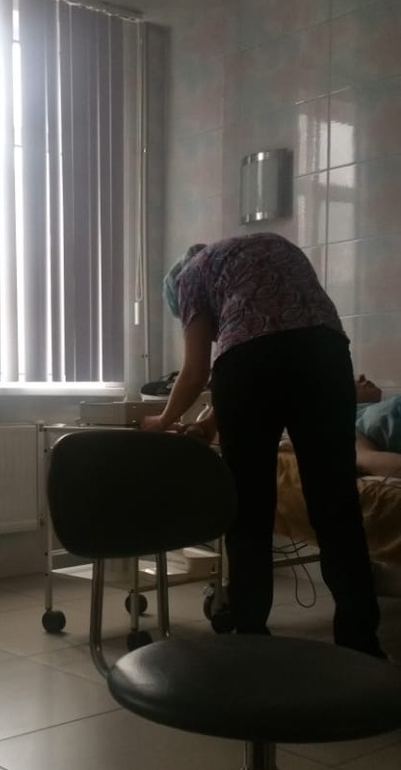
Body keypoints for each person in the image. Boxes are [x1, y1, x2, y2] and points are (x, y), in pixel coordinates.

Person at [142, 232, 384, 658]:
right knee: (337, 508)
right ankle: (361, 643)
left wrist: (162, 421)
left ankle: (250, 636)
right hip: (325, 357)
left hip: (251, 368)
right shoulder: (260, 249)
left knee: (249, 510)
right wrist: (212, 422)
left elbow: (203, 369)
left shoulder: (189, 277)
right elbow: (276, 349)